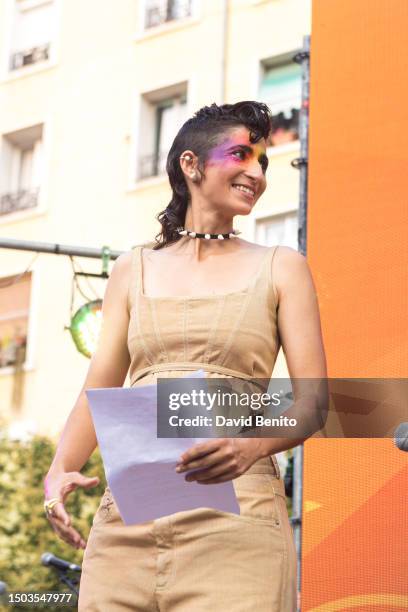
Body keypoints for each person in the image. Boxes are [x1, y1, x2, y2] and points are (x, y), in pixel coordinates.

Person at [43, 101, 327, 611]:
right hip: (129, 519)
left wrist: (249, 448)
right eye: (241, 154)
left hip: (238, 517)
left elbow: (312, 403)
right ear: (191, 165)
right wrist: (59, 470)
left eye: (263, 161)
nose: (256, 172)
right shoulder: (133, 269)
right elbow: (98, 388)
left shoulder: (283, 267)